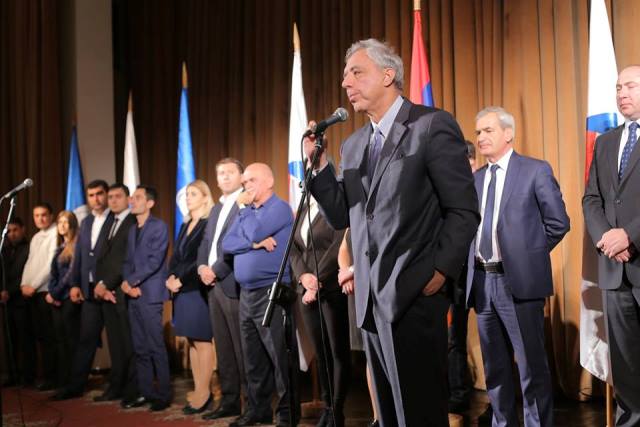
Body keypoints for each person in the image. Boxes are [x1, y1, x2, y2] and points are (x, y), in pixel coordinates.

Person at [305, 39, 479, 426]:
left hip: (415, 292)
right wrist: (318, 168)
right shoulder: (353, 145)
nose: (346, 82)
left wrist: (440, 271)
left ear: (388, 75)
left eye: (356, 72)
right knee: (388, 415)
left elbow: (463, 209)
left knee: (419, 415)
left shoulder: (431, 125)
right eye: (345, 75)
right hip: (371, 300)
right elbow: (344, 214)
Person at [466, 106, 570, 427]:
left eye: (488, 130)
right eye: (478, 132)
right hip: (483, 283)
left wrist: (526, 256)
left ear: (508, 133)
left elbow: (558, 223)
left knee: (530, 367)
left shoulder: (535, 170)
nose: (481, 137)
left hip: (519, 283)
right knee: (495, 369)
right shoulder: (475, 179)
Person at [583, 65, 640, 426]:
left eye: (630, 86)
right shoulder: (605, 142)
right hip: (615, 270)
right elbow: (592, 198)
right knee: (626, 363)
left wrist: (630, 235)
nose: (622, 93)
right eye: (618, 87)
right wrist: (608, 239)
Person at [222, 163, 299, 427]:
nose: (246, 186)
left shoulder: (279, 208)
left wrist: (246, 217)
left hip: (271, 292)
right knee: (253, 357)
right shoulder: (249, 211)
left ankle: (287, 415)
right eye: (244, 182)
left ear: (268, 182)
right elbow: (227, 244)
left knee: (279, 356)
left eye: (251, 180)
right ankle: (259, 409)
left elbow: (255, 230)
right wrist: (254, 245)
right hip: (246, 294)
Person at [290, 194, 349, 427]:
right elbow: (293, 247)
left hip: (331, 288)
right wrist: (303, 276)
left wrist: (315, 280)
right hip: (305, 289)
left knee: (337, 351)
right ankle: (328, 407)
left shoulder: (336, 205)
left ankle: (337, 409)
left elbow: (337, 247)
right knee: (321, 351)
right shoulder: (304, 208)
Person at [51, 179, 111, 400]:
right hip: (89, 291)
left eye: (100, 194)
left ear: (106, 194)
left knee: (118, 341)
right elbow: (79, 258)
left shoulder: (116, 220)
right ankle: (75, 386)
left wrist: (107, 284)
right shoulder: (85, 223)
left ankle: (121, 385)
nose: (96, 199)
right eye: (91, 195)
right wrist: (75, 283)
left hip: (110, 289)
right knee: (86, 340)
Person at [197, 158, 246, 421]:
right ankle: (229, 401)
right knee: (224, 348)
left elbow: (236, 244)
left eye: (230, 172)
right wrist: (201, 267)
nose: (224, 177)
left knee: (241, 348)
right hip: (212, 285)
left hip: (231, 282)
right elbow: (206, 242)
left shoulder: (244, 203)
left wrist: (215, 270)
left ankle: (251, 402)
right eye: (220, 173)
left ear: (241, 175)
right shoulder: (216, 208)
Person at [121, 185, 171, 411]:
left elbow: (155, 261)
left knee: (155, 346)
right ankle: (146, 392)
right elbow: (127, 262)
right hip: (133, 295)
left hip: (150, 294)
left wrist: (132, 282)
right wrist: (126, 283)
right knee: (140, 347)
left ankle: (164, 395)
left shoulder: (159, 226)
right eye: (132, 197)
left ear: (150, 203)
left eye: (137, 197)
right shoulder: (132, 229)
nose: (132, 200)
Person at [166, 179, 214, 414]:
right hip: (182, 291)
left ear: (205, 198)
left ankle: (205, 394)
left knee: (202, 341)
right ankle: (198, 390)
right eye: (187, 194)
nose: (188, 198)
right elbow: (177, 257)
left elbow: (201, 259)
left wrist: (181, 279)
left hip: (196, 288)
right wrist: (170, 276)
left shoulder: (207, 223)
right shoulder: (185, 224)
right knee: (192, 342)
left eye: (193, 194)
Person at [93, 183, 138, 404]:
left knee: (128, 343)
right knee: (115, 344)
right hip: (107, 292)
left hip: (122, 291)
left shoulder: (133, 222)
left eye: (118, 196)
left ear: (128, 199)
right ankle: (116, 386)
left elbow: (125, 259)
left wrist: (107, 284)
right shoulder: (110, 221)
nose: (112, 200)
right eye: (110, 197)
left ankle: (132, 389)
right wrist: (100, 285)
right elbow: (101, 257)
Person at [448, 141, 478, 415]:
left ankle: (499, 400)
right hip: (456, 275)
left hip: (483, 271)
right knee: (454, 337)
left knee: (495, 337)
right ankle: (458, 393)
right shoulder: (451, 189)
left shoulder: (484, 185)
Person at [20, 202, 59, 391]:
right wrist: (23, 284)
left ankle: (53, 377)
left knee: (50, 337)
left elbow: (50, 265)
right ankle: (45, 375)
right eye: (36, 215)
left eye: (44, 215)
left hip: (45, 291)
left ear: (51, 216)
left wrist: (33, 285)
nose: (40, 219)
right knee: (40, 336)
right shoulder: (36, 237)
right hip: (32, 292)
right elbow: (29, 263)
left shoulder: (56, 233)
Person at [46, 211, 81, 388]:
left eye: (66, 222)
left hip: (68, 298)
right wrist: (51, 293)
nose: (62, 225)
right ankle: (62, 380)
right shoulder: (60, 247)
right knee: (60, 341)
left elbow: (70, 275)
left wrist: (55, 294)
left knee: (70, 341)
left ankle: (72, 382)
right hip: (57, 298)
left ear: (73, 225)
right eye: (60, 222)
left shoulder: (76, 246)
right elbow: (53, 274)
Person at [0, 217, 31, 386]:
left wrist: (9, 291)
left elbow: (25, 274)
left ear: (23, 229)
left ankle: (27, 376)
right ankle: (12, 375)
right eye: (9, 231)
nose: (12, 234)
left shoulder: (28, 248)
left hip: (21, 300)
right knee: (9, 341)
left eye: (15, 230)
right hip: (6, 303)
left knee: (25, 339)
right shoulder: (3, 250)